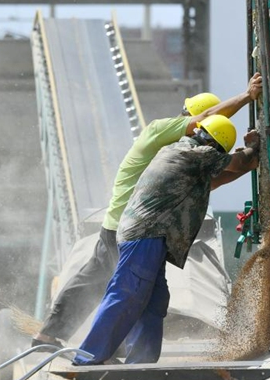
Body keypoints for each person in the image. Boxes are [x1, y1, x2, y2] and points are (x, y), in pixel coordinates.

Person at [32, 74, 263, 349]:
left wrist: (249, 160)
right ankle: (81, 343)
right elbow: (207, 121)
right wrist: (247, 96)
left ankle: (77, 340)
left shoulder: (188, 156)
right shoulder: (160, 133)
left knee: (116, 285)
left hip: (141, 227)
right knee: (117, 287)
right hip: (128, 225)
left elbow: (215, 179)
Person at [73, 114, 260, 365]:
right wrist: (254, 147)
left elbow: (220, 178)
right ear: (216, 145)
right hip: (145, 235)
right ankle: (87, 357)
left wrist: (248, 160)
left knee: (154, 299)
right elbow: (239, 163)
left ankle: (141, 361)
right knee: (127, 293)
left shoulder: (183, 153)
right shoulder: (195, 154)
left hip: (151, 236)